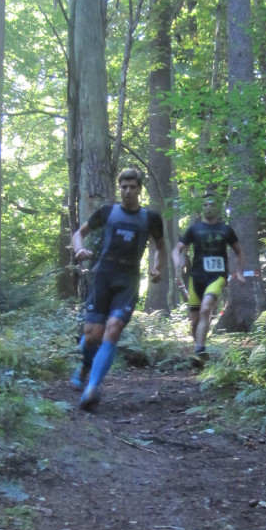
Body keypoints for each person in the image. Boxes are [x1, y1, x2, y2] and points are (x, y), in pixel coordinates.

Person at [70, 167, 167, 410]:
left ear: (139, 189)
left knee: (112, 332)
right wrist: (79, 249)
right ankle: (86, 363)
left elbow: (161, 247)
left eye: (132, 187)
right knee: (92, 337)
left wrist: (157, 268)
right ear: (119, 188)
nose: (127, 191)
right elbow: (78, 234)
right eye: (123, 187)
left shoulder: (150, 218)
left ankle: (92, 388)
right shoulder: (107, 212)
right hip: (103, 277)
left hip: (128, 282)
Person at [173, 193, 247, 363]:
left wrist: (240, 273)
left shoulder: (226, 230)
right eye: (205, 205)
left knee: (206, 309)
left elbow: (239, 252)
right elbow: (177, 249)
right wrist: (179, 262)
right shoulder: (194, 229)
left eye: (211, 205)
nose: (208, 208)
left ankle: (199, 351)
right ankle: (198, 345)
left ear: (217, 207)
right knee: (194, 320)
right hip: (196, 278)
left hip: (217, 277)